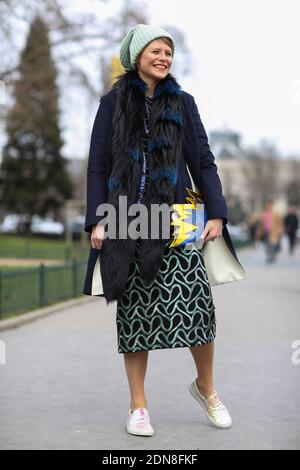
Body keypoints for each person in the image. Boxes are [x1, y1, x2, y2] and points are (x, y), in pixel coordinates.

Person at [83, 24, 241, 436]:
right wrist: (97, 219)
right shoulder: (112, 103)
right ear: (137, 56)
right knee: (135, 318)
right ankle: (138, 406)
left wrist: (217, 214)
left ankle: (206, 388)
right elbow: (98, 164)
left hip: (176, 222)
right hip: (126, 222)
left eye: (169, 52)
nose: (164, 57)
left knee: (197, 309)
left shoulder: (183, 104)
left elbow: (204, 160)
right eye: (156, 50)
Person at [256, 199, 284, 263]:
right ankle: (268, 256)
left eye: (269, 205)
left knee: (272, 244)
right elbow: (260, 224)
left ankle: (272, 256)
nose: (268, 206)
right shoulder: (263, 213)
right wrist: (259, 232)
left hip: (273, 232)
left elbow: (280, 223)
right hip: (265, 231)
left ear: (271, 205)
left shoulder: (276, 213)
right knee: (266, 244)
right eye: (267, 205)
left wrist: (279, 230)